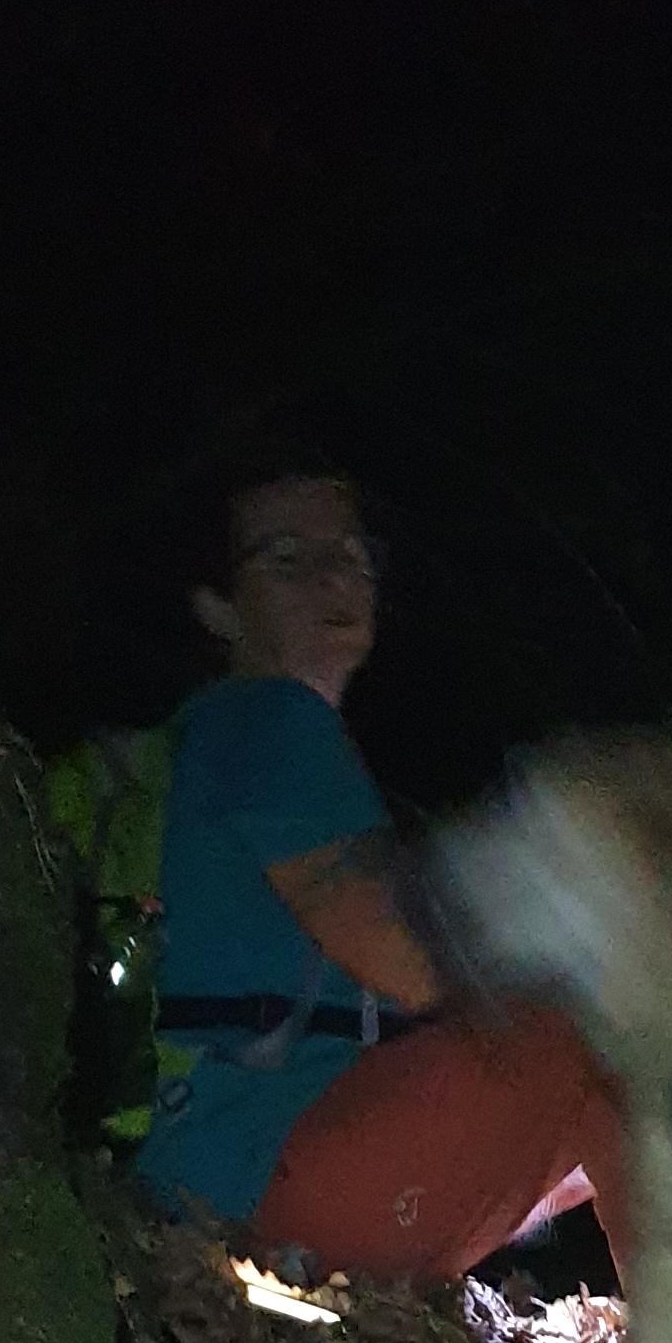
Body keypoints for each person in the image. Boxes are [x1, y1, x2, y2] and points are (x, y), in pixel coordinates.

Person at [134, 461, 628, 1290]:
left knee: (617, 1078)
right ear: (217, 607)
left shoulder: (216, 737)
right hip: (260, 1173)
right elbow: (408, 965)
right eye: (288, 560)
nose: (332, 578)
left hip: (217, 1171)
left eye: (350, 556)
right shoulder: (270, 720)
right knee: (598, 1031)